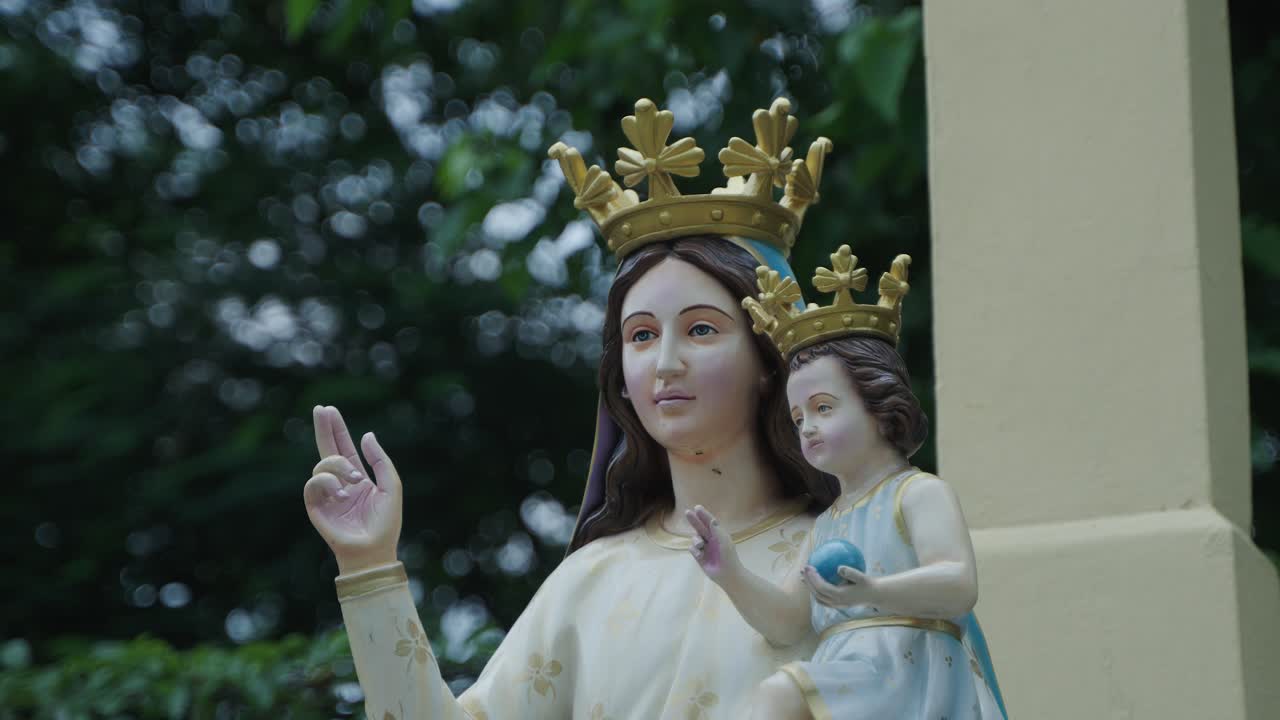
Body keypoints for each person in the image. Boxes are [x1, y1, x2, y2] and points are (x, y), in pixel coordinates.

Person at [302, 98, 842, 719]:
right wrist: (369, 566)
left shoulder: (841, 550)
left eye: (700, 330)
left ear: (771, 361)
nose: (665, 363)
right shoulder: (592, 580)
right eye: (641, 336)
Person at [685, 246, 1008, 719]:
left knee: (780, 695)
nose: (807, 427)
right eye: (798, 418)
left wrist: (873, 591)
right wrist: (729, 572)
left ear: (879, 405)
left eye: (824, 408)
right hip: (850, 674)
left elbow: (958, 584)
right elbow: (788, 624)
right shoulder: (826, 524)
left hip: (906, 675)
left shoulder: (918, 493)